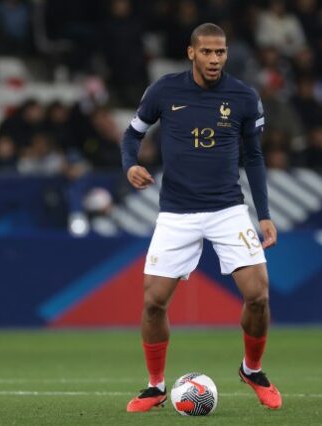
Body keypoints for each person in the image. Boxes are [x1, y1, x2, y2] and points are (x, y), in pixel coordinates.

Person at [121, 23, 282, 412]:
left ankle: (252, 370)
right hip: (176, 212)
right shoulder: (164, 90)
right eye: (207, 52)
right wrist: (130, 165)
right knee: (153, 303)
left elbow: (255, 158)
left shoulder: (243, 97)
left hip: (228, 209)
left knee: (258, 295)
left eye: (220, 52)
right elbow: (131, 134)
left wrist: (264, 215)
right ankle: (155, 386)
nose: (214, 59)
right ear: (191, 52)